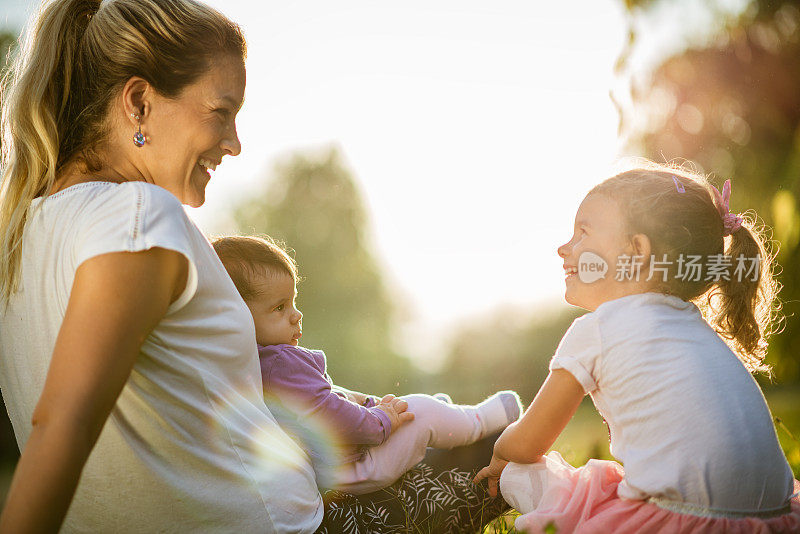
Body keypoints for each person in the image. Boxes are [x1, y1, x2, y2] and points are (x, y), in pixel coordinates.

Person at [0, 0, 506, 532]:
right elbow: (64, 424)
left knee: (461, 435)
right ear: (139, 102)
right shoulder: (139, 218)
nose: (235, 143)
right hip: (286, 526)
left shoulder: (21, 235)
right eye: (220, 112)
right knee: (501, 451)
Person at [474, 164, 800, 532]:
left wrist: (501, 454)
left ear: (637, 250)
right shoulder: (696, 329)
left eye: (583, 233)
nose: (564, 247)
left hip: (680, 524)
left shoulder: (596, 330)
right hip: (775, 519)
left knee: (518, 474)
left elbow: (527, 443)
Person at [212, 235, 522, 494]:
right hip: (355, 467)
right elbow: (330, 414)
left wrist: (372, 406)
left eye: (293, 301)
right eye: (279, 307)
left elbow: (324, 400)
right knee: (420, 412)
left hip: (343, 465)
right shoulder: (280, 363)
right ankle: (482, 420)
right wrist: (379, 420)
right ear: (238, 315)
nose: (296, 315)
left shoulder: (253, 364)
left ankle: (445, 420)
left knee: (414, 411)